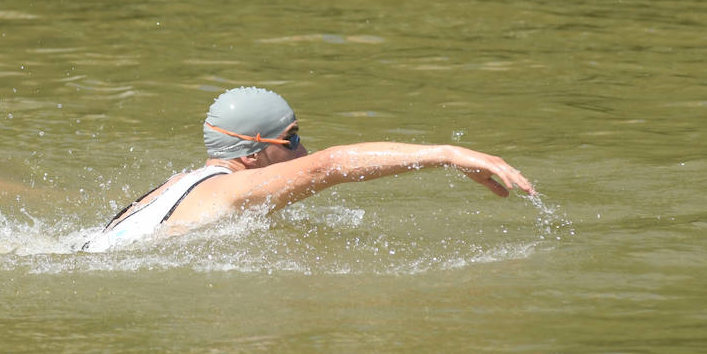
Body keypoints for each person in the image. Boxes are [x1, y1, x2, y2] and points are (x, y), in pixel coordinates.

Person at [83, 87, 535, 251]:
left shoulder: (176, 185)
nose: (302, 151)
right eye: (293, 138)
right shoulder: (228, 189)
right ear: (253, 154)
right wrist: (446, 153)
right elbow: (329, 165)